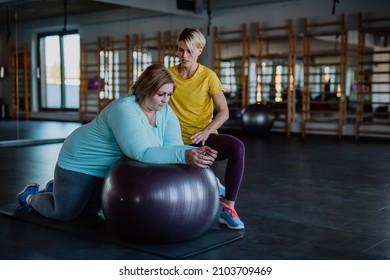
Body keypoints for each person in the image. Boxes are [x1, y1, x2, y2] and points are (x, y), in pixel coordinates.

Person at [17, 64, 217, 221]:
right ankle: (31, 195)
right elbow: (141, 152)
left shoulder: (164, 111)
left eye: (169, 95)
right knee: (64, 214)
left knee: (88, 214)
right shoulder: (125, 109)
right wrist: (185, 155)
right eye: (161, 94)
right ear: (146, 89)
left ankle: (57, 188)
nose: (166, 100)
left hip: (108, 168)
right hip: (81, 160)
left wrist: (196, 152)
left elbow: (172, 146)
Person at [168, 28, 245, 230]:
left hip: (202, 137)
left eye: (190, 51)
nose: (184, 55)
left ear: (200, 50)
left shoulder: (208, 77)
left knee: (237, 147)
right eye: (180, 50)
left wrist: (206, 131)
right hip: (173, 141)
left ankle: (228, 209)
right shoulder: (168, 76)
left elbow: (224, 111)